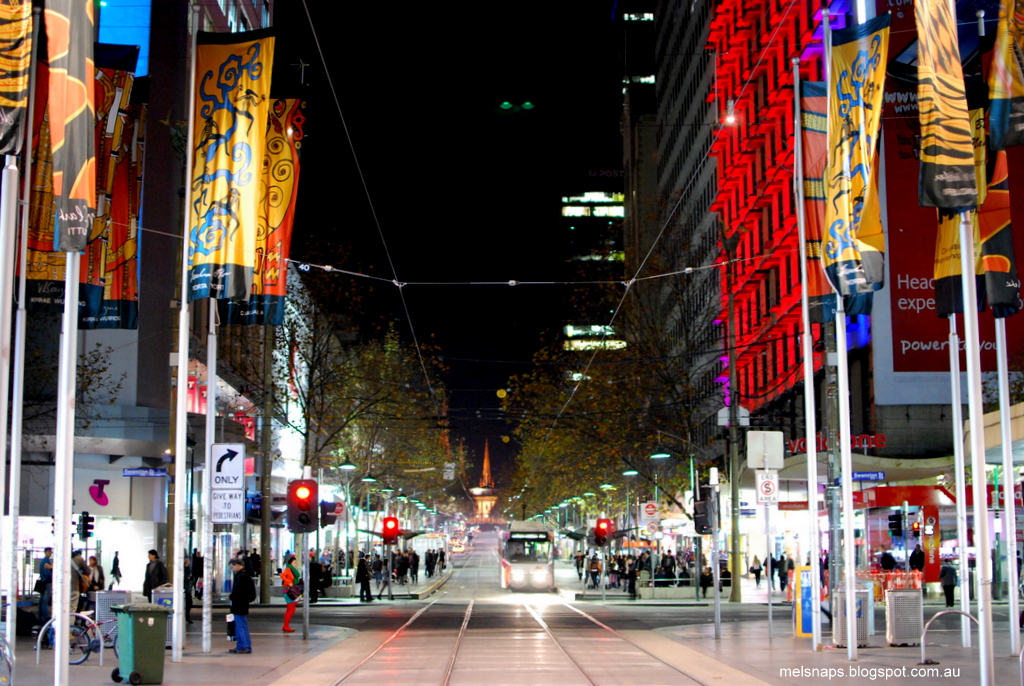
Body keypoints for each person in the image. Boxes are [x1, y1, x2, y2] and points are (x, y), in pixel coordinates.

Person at [228, 558, 255, 654]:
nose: (232, 569)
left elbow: (239, 591)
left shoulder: (241, 576)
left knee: (240, 626)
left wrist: (232, 597)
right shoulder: (245, 575)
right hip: (242, 604)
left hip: (239, 604)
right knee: (239, 626)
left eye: (232, 567)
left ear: (237, 565)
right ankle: (240, 646)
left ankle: (245, 646)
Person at [280, 554, 301, 632]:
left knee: (291, 608)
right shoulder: (288, 569)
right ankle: (286, 626)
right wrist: (289, 582)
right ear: (291, 563)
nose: (296, 564)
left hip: (290, 590)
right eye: (294, 562)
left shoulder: (291, 570)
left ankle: (286, 626)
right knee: (291, 609)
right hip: (288, 591)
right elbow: (282, 575)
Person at [37, 547, 53, 625]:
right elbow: (47, 573)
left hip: (43, 582)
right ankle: (45, 617)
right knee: (45, 601)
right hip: (47, 582)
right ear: (46, 552)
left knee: (42, 600)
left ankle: (41, 617)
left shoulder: (44, 561)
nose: (51, 553)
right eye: (50, 552)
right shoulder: (45, 562)